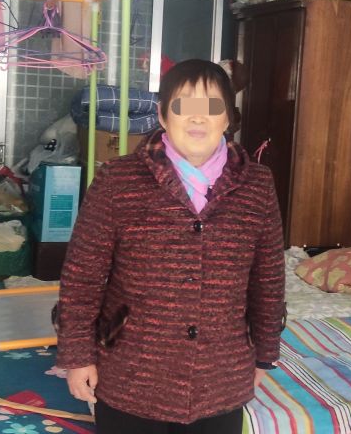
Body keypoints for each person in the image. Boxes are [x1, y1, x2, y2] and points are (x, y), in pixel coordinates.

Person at [55, 59, 286, 434]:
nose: (197, 117)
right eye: (183, 105)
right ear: (163, 115)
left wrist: (264, 354)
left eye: (212, 105)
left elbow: (268, 280)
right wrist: (78, 356)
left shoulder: (257, 185)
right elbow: (83, 277)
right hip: (132, 377)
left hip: (221, 379)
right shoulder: (118, 180)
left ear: (228, 118)